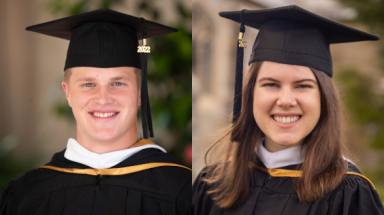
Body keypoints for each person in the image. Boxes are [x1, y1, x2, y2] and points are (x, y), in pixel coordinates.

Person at [192, 5, 384, 215]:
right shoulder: (212, 184)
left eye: (302, 86)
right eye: (271, 84)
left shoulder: (349, 194)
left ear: (324, 98)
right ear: (250, 95)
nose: (286, 100)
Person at [0, 9, 191, 215]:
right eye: (88, 84)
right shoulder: (25, 196)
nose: (103, 98)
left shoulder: (184, 192)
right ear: (68, 93)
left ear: (140, 93)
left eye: (117, 83)